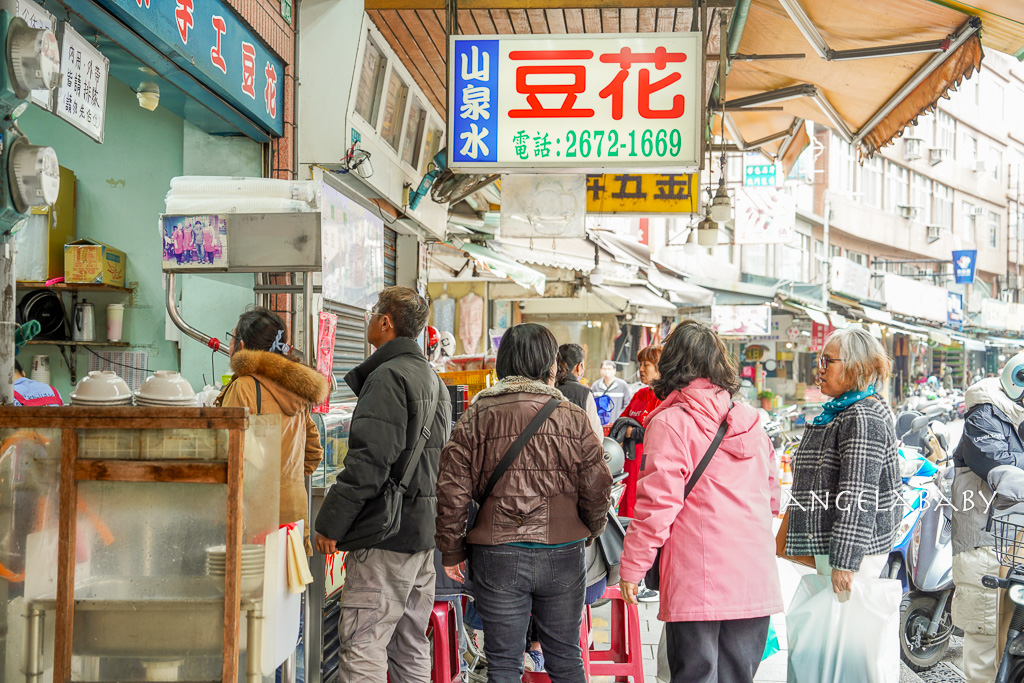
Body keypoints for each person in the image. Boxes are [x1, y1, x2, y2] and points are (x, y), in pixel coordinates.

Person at [436, 323, 612, 683]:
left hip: (496, 554)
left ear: (503, 363)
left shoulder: (477, 415)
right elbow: (598, 485)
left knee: (503, 664)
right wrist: (590, 530)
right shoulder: (572, 417)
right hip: (563, 552)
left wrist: (452, 551)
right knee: (566, 658)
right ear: (551, 366)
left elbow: (451, 488)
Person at [618, 321, 782, 683]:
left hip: (698, 579)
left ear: (673, 362)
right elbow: (773, 495)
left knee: (695, 674)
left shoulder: (672, 423)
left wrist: (632, 567)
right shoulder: (751, 420)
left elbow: (656, 507)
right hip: (752, 574)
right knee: (738, 676)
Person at [314, 286, 452, 683]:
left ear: (385, 322)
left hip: (385, 537)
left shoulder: (388, 376)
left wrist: (330, 524)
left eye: (373, 312)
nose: (369, 319)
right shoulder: (432, 379)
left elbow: (369, 463)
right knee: (409, 643)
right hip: (422, 537)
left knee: (363, 643)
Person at [786, 328, 901, 598]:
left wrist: (845, 562)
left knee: (845, 630)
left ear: (856, 367)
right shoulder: (847, 409)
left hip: (854, 552)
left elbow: (858, 493)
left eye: (829, 361)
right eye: (821, 361)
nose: (821, 369)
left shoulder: (861, 415)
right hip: (839, 545)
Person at [217, 307, 327, 553]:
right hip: (293, 518)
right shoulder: (296, 388)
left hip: (255, 517)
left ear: (241, 345)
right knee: (285, 588)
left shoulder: (243, 388)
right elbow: (313, 453)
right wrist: (285, 478)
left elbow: (228, 454)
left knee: (253, 588)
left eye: (232, 338)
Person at [949, 353, 1024, 683]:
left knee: (1011, 642)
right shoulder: (985, 416)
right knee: (984, 646)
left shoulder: (1016, 414)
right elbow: (1001, 470)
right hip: (986, 547)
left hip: (1015, 546)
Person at [611, 344, 663, 519]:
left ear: (660, 368)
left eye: (646, 365)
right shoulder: (639, 394)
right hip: (629, 463)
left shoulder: (664, 398)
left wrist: (632, 433)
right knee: (626, 509)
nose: (640, 369)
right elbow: (621, 423)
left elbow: (657, 432)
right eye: (640, 364)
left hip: (648, 466)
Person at [555, 343, 602, 438]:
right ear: (579, 366)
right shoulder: (584, 393)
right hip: (575, 451)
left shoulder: (549, 387)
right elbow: (597, 435)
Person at [591, 360, 632, 425]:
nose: (606, 371)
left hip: (617, 423)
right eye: (604, 369)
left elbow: (628, 404)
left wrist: (620, 417)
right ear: (600, 370)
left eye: (609, 369)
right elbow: (592, 404)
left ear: (614, 370)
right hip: (599, 423)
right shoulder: (595, 385)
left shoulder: (622, 385)